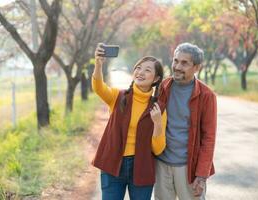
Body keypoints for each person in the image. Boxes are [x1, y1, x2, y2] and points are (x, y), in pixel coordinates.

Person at [92, 43, 167, 200]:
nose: (140, 72)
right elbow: (99, 87)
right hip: (113, 165)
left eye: (147, 70)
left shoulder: (158, 108)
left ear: (156, 78)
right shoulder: (118, 97)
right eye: (138, 68)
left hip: (141, 167)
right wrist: (98, 64)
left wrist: (158, 123)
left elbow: (158, 149)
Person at [155, 43, 217, 200]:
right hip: (162, 164)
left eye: (184, 63)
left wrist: (201, 175)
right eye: (176, 61)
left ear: (196, 68)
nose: (177, 66)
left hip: (188, 168)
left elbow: (208, 138)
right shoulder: (164, 86)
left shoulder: (206, 95)